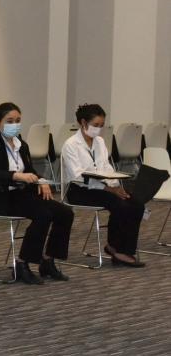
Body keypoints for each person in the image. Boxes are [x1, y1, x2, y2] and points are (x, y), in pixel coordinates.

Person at [0, 102, 73, 283]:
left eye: (18, 121)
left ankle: (48, 260)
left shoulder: (21, 144)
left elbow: (30, 171)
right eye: (9, 121)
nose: (14, 125)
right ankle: (22, 264)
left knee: (65, 213)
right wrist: (15, 176)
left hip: (22, 194)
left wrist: (41, 181)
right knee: (43, 214)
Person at [61, 103, 144, 267]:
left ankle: (121, 248)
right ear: (83, 123)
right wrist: (108, 189)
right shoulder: (70, 145)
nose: (99, 129)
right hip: (79, 190)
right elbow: (77, 177)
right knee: (120, 204)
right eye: (96, 125)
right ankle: (118, 250)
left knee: (136, 204)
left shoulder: (99, 141)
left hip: (103, 186)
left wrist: (116, 185)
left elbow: (106, 167)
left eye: (101, 125)